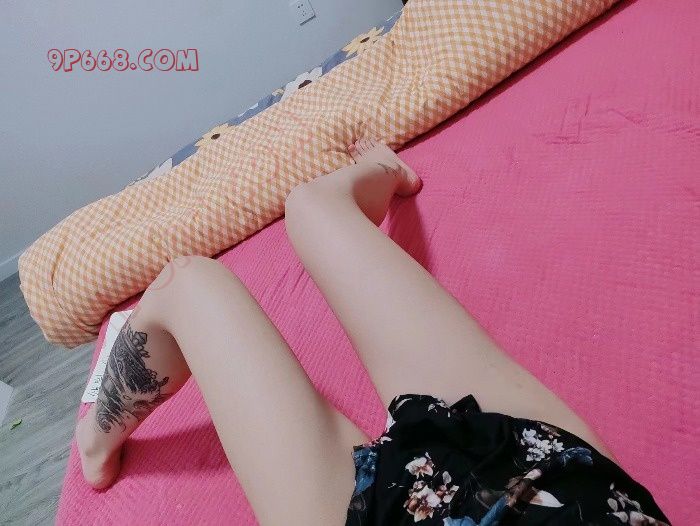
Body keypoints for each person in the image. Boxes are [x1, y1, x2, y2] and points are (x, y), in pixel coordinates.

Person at [74, 139, 668, 525]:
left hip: (500, 492)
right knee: (308, 208)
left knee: (190, 281)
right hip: (545, 475)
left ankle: (95, 444)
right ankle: (387, 166)